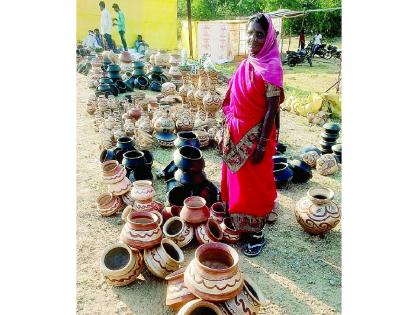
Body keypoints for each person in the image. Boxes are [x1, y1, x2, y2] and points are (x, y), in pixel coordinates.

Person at [219, 13, 285, 257]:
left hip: (257, 136)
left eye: (259, 34)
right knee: (237, 180)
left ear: (268, 38)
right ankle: (237, 222)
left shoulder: (271, 67)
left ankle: (256, 232)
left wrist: (262, 144)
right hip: (236, 131)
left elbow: (272, 111)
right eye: (250, 33)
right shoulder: (246, 63)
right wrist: (227, 123)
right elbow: (231, 98)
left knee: (254, 184)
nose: (253, 39)